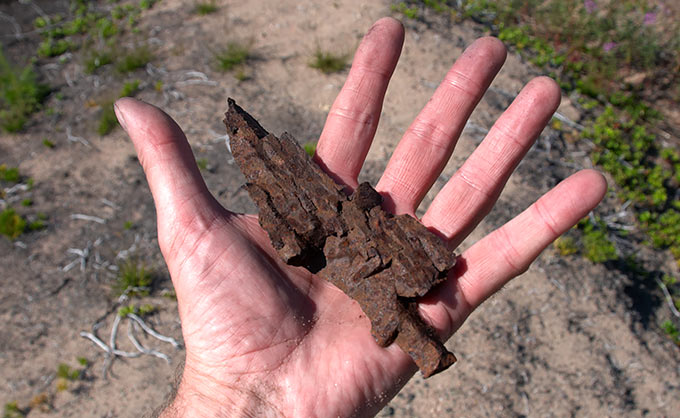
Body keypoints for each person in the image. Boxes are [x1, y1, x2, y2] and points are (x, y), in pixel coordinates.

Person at [113, 17, 606, 418]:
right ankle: (415, 335)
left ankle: (416, 334)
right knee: (394, 310)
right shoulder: (285, 196)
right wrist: (241, 399)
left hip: (368, 255)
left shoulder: (295, 185)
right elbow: (305, 239)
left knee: (398, 306)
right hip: (358, 261)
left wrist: (239, 403)